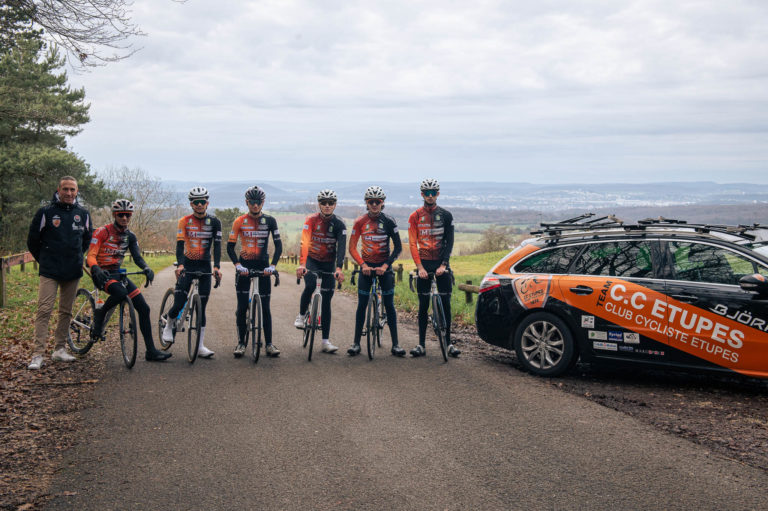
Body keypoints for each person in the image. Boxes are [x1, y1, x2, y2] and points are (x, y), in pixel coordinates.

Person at [88, 199, 171, 361]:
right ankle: (100, 313)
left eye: (128, 215)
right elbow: (91, 255)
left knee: (144, 309)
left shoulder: (130, 236)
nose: (125, 218)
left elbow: (137, 257)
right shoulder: (102, 232)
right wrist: (96, 268)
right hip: (101, 274)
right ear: (114, 215)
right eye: (121, 215)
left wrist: (146, 268)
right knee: (120, 293)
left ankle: (151, 351)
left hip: (118, 274)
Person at [26, 176, 92, 370]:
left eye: (72, 189)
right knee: (44, 310)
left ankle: (59, 349)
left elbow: (86, 239)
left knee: (66, 311)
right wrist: (45, 259)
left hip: (72, 270)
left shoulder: (83, 214)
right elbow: (32, 241)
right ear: (58, 190)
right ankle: (38, 354)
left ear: (77, 191)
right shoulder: (46, 212)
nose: (69, 193)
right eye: (65, 189)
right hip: (50, 270)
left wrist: (77, 256)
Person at [161, 187, 222, 358]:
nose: (200, 205)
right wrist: (180, 265)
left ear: (207, 203)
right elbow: (179, 246)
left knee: (201, 308)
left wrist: (217, 267)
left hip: (204, 266)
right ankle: (169, 323)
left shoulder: (215, 222)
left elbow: (217, 246)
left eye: (202, 201)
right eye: (196, 202)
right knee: (179, 302)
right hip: (187, 266)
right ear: (191, 204)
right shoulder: (185, 221)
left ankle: (200, 345)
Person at [347, 186, 405, 357]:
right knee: (362, 305)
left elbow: (398, 248)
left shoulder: (389, 221)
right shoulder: (360, 222)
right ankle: (356, 343)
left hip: (384, 267)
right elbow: (352, 247)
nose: (374, 204)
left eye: (377, 202)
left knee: (389, 305)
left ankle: (395, 344)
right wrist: (362, 265)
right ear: (366, 203)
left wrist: (386, 266)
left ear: (382, 203)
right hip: (366, 268)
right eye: (371, 201)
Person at [407, 178, 460, 357]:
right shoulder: (415, 216)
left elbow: (449, 242)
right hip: (424, 263)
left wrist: (444, 264)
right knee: (423, 305)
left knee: (446, 304)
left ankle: (449, 344)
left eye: (433, 192)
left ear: (438, 194)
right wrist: (419, 267)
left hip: (441, 263)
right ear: (422, 194)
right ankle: (421, 344)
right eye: (427, 193)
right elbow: (412, 244)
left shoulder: (446, 215)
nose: (430, 196)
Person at [228, 186, 282, 358]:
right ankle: (241, 343)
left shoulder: (270, 221)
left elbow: (279, 246)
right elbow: (230, 247)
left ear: (263, 202)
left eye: (258, 202)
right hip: (244, 267)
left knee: (265, 308)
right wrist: (237, 265)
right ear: (247, 202)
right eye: (252, 202)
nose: (255, 205)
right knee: (242, 307)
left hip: (263, 267)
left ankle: (269, 344)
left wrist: (272, 266)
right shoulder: (239, 221)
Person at [294, 189, 346, 353]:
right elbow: (304, 242)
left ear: (335, 205)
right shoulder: (311, 220)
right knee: (310, 285)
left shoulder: (339, 224)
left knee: (327, 301)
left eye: (330, 203)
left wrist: (339, 268)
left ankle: (325, 342)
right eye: (324, 203)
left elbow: (341, 248)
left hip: (329, 264)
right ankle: (301, 315)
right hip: (312, 260)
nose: (327, 205)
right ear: (319, 204)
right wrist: (302, 264)